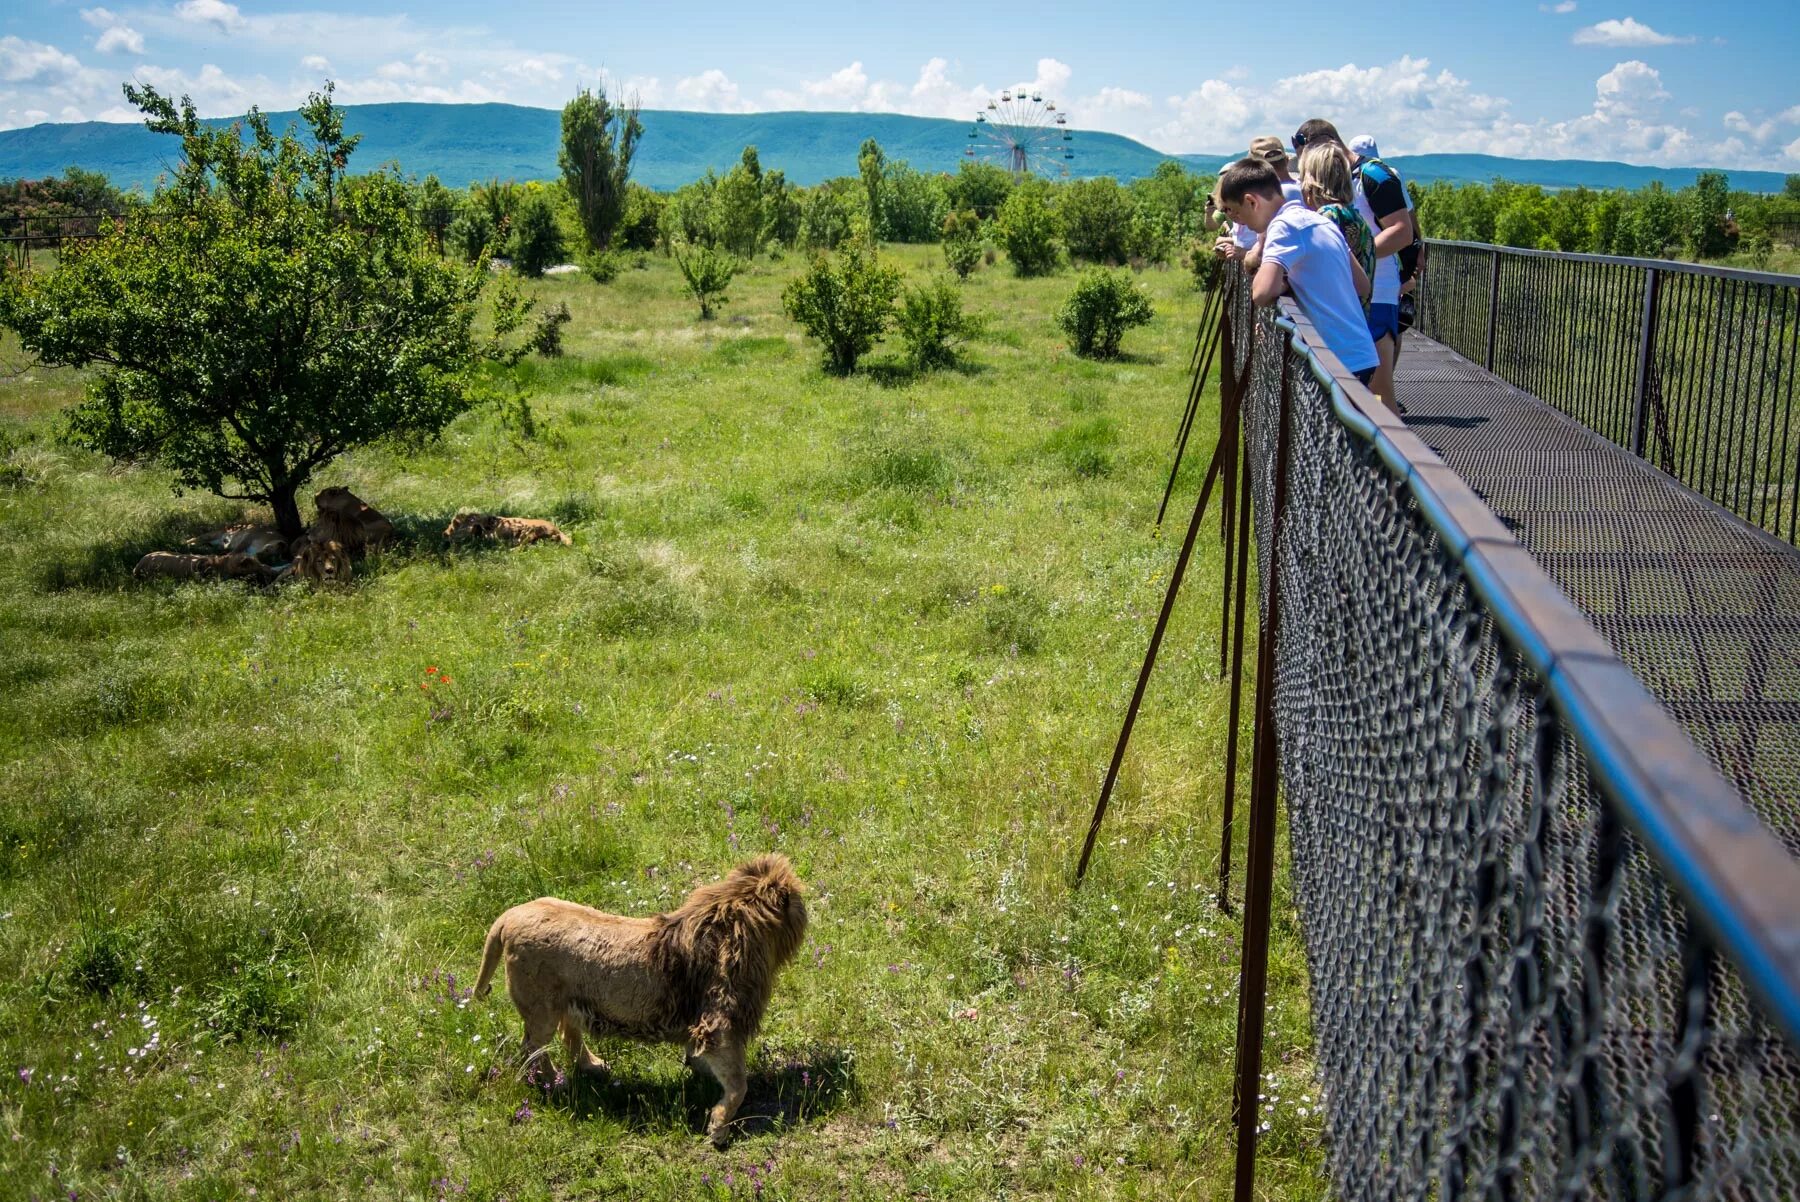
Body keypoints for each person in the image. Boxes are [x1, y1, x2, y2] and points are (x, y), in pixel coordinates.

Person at [1216, 157, 1380, 391]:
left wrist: (1265, 249)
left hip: (1336, 357)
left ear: (1252, 202)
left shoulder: (1283, 227)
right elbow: (1362, 285)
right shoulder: (1319, 220)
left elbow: (1261, 293)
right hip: (1360, 352)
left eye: (1237, 213)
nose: (1240, 223)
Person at [1291, 118, 1409, 404]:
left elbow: (1402, 230)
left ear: (1317, 145)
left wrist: (1347, 259)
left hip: (1377, 291)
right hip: (1350, 291)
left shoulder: (1374, 175)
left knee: (1379, 390)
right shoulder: (1346, 178)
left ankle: (1391, 446)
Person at [1297, 141, 1374, 308]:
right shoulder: (1357, 217)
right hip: (1356, 320)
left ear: (1312, 181)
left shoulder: (1328, 216)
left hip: (1333, 319)